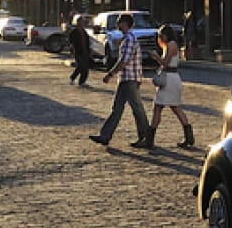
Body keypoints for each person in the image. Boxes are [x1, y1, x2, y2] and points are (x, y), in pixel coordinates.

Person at [89, 14, 152, 148]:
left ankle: (147, 137)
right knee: (117, 109)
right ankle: (105, 135)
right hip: (126, 78)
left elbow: (124, 61)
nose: (117, 25)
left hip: (129, 78)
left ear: (125, 23)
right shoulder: (128, 38)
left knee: (137, 109)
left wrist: (110, 74)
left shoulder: (129, 39)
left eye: (119, 22)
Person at [145, 25, 195, 149]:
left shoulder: (171, 45)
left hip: (170, 79)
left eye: (161, 36)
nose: (160, 38)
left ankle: (150, 138)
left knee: (160, 107)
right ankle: (188, 136)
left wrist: (156, 56)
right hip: (171, 78)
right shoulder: (171, 45)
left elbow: (165, 63)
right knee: (173, 107)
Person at [67, 11, 92, 86]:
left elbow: (87, 42)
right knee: (80, 66)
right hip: (78, 52)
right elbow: (71, 42)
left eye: (83, 22)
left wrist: (89, 51)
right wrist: (72, 51)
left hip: (85, 52)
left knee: (86, 67)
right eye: (80, 22)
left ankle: (82, 81)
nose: (82, 23)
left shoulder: (84, 32)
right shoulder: (74, 32)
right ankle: (72, 78)